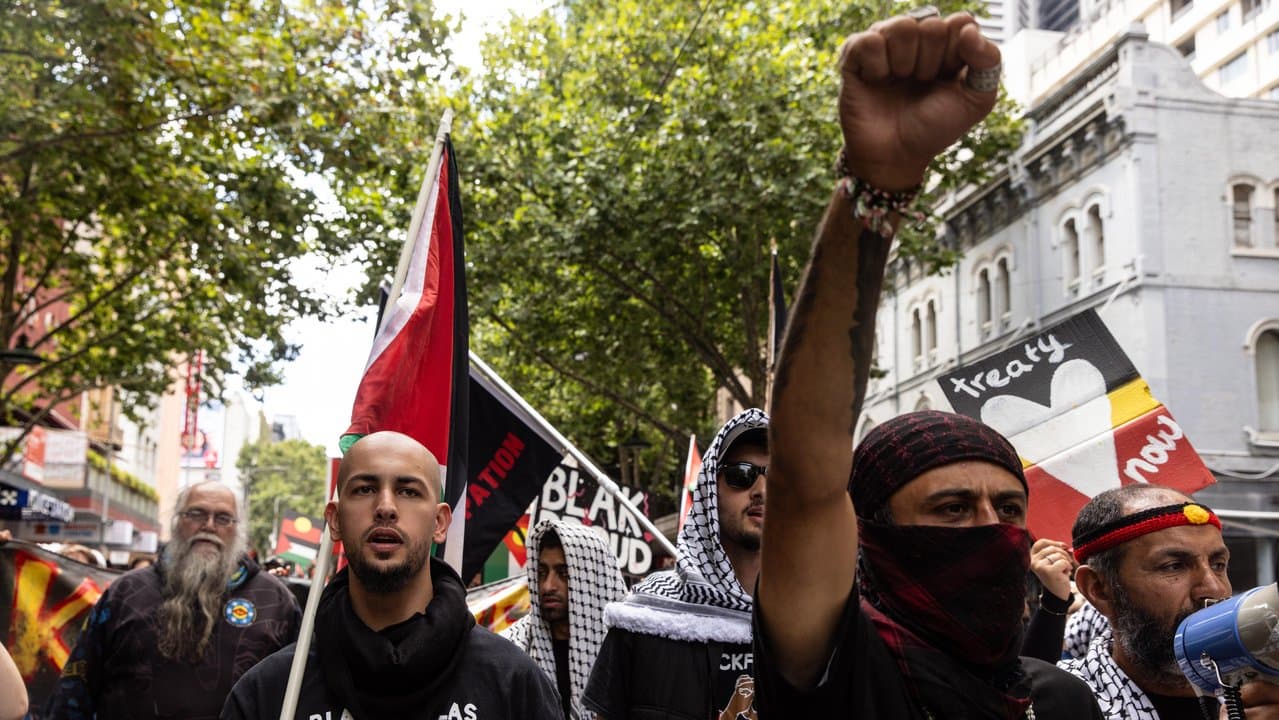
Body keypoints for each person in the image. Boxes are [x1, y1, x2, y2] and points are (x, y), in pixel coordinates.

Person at [754, 10, 1104, 716]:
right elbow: (804, 474)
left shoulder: (1062, 701)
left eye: (1008, 508)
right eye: (950, 510)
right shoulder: (841, 660)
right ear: (870, 530)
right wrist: (875, 191)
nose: (991, 528)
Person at [221, 431, 562, 719]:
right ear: (335, 520)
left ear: (440, 522)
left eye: (408, 491)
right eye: (365, 489)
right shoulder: (270, 692)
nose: (385, 506)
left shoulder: (513, 683)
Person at [46, 481, 301, 720]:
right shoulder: (126, 593)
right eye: (197, 514)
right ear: (177, 521)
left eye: (223, 518)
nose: (209, 525)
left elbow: (302, 693)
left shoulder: (276, 603)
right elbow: (76, 688)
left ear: (238, 530)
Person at [583, 408, 768, 719]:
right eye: (742, 475)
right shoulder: (646, 617)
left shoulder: (809, 624)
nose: (762, 491)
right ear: (711, 489)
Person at [1063, 485, 1279, 719]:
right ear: (1099, 589)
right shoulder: (1053, 702)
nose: (1214, 589)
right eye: (1173, 566)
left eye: (1218, 565)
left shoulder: (1266, 686)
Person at [504, 520, 627, 719]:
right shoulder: (512, 646)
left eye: (563, 574)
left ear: (591, 579)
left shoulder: (626, 655)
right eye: (542, 573)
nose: (547, 586)